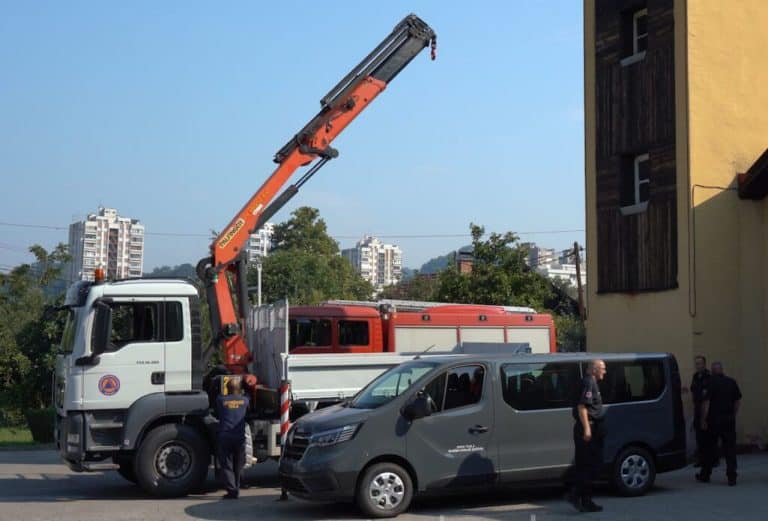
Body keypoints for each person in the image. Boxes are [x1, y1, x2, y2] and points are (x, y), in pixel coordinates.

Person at [566, 359, 607, 513]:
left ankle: (586, 500)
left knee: (589, 466)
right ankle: (575, 494)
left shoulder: (591, 382)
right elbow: (582, 406)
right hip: (588, 429)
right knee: (590, 466)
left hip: (594, 428)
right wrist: (587, 429)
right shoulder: (589, 382)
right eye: (602, 368)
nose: (605, 371)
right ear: (594, 369)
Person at [696, 362, 741, 486]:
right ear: (722, 370)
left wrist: (703, 420)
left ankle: (705, 474)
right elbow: (737, 400)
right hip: (728, 420)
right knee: (730, 449)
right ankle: (732, 476)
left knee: (709, 448)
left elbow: (706, 403)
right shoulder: (731, 382)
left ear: (712, 371)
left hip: (714, 421)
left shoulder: (710, 383)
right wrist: (733, 414)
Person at [216, 377, 250, 499]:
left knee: (226, 464)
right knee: (238, 465)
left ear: (227, 389)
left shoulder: (221, 400)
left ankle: (232, 490)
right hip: (239, 437)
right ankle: (237, 487)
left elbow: (217, 399)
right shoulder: (245, 400)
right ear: (239, 389)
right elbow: (248, 395)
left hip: (225, 437)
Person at [690, 355, 712, 467]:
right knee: (699, 436)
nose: (698, 365)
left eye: (700, 363)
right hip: (697, 409)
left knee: (707, 437)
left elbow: (707, 396)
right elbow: (693, 390)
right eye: (696, 363)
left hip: (707, 411)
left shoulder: (708, 377)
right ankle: (701, 459)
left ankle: (711, 460)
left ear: (704, 364)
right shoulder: (695, 377)